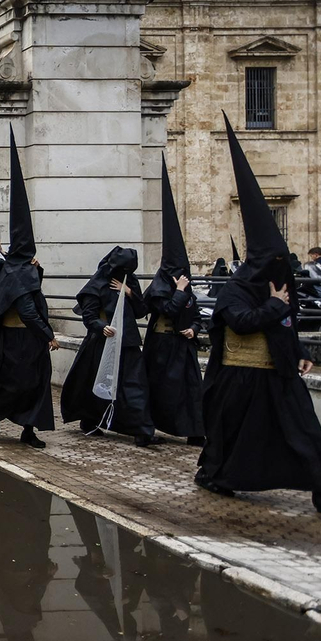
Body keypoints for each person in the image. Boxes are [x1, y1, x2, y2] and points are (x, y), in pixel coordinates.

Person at [197, 114, 321, 512]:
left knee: (306, 432)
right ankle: (215, 476)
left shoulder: (278, 286)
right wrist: (274, 305)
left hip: (279, 372)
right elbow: (240, 323)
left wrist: (300, 352)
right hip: (239, 379)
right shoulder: (237, 289)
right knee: (233, 437)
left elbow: (287, 323)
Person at [0, 132, 58, 448]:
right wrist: (48, 334)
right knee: (18, 383)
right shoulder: (18, 270)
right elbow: (27, 307)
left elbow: (27, 289)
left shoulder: (16, 268)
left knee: (32, 384)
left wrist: (35, 269)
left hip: (19, 340)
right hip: (21, 339)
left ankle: (28, 429)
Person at [61, 246, 154, 445]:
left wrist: (128, 292)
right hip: (102, 343)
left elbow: (140, 311)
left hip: (128, 342)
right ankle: (90, 419)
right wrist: (101, 326)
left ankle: (142, 429)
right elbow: (89, 315)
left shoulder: (131, 281)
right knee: (95, 383)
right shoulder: (97, 284)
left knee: (135, 384)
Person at [143, 159, 205, 444]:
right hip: (161, 348)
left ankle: (194, 431)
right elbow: (165, 309)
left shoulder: (185, 283)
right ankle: (149, 429)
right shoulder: (158, 287)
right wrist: (179, 292)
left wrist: (194, 328)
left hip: (183, 346)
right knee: (160, 390)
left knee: (192, 389)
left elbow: (197, 313)